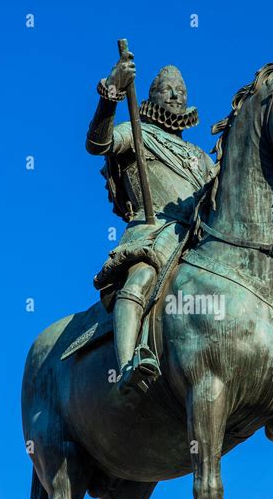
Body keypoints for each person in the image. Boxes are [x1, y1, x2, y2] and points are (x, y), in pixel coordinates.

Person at [86, 50, 213, 393]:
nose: (176, 95)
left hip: (196, 239)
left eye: (181, 90)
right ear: (151, 95)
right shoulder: (137, 132)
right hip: (154, 231)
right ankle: (128, 364)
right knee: (142, 278)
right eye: (168, 88)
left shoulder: (201, 157)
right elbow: (99, 143)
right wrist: (110, 95)